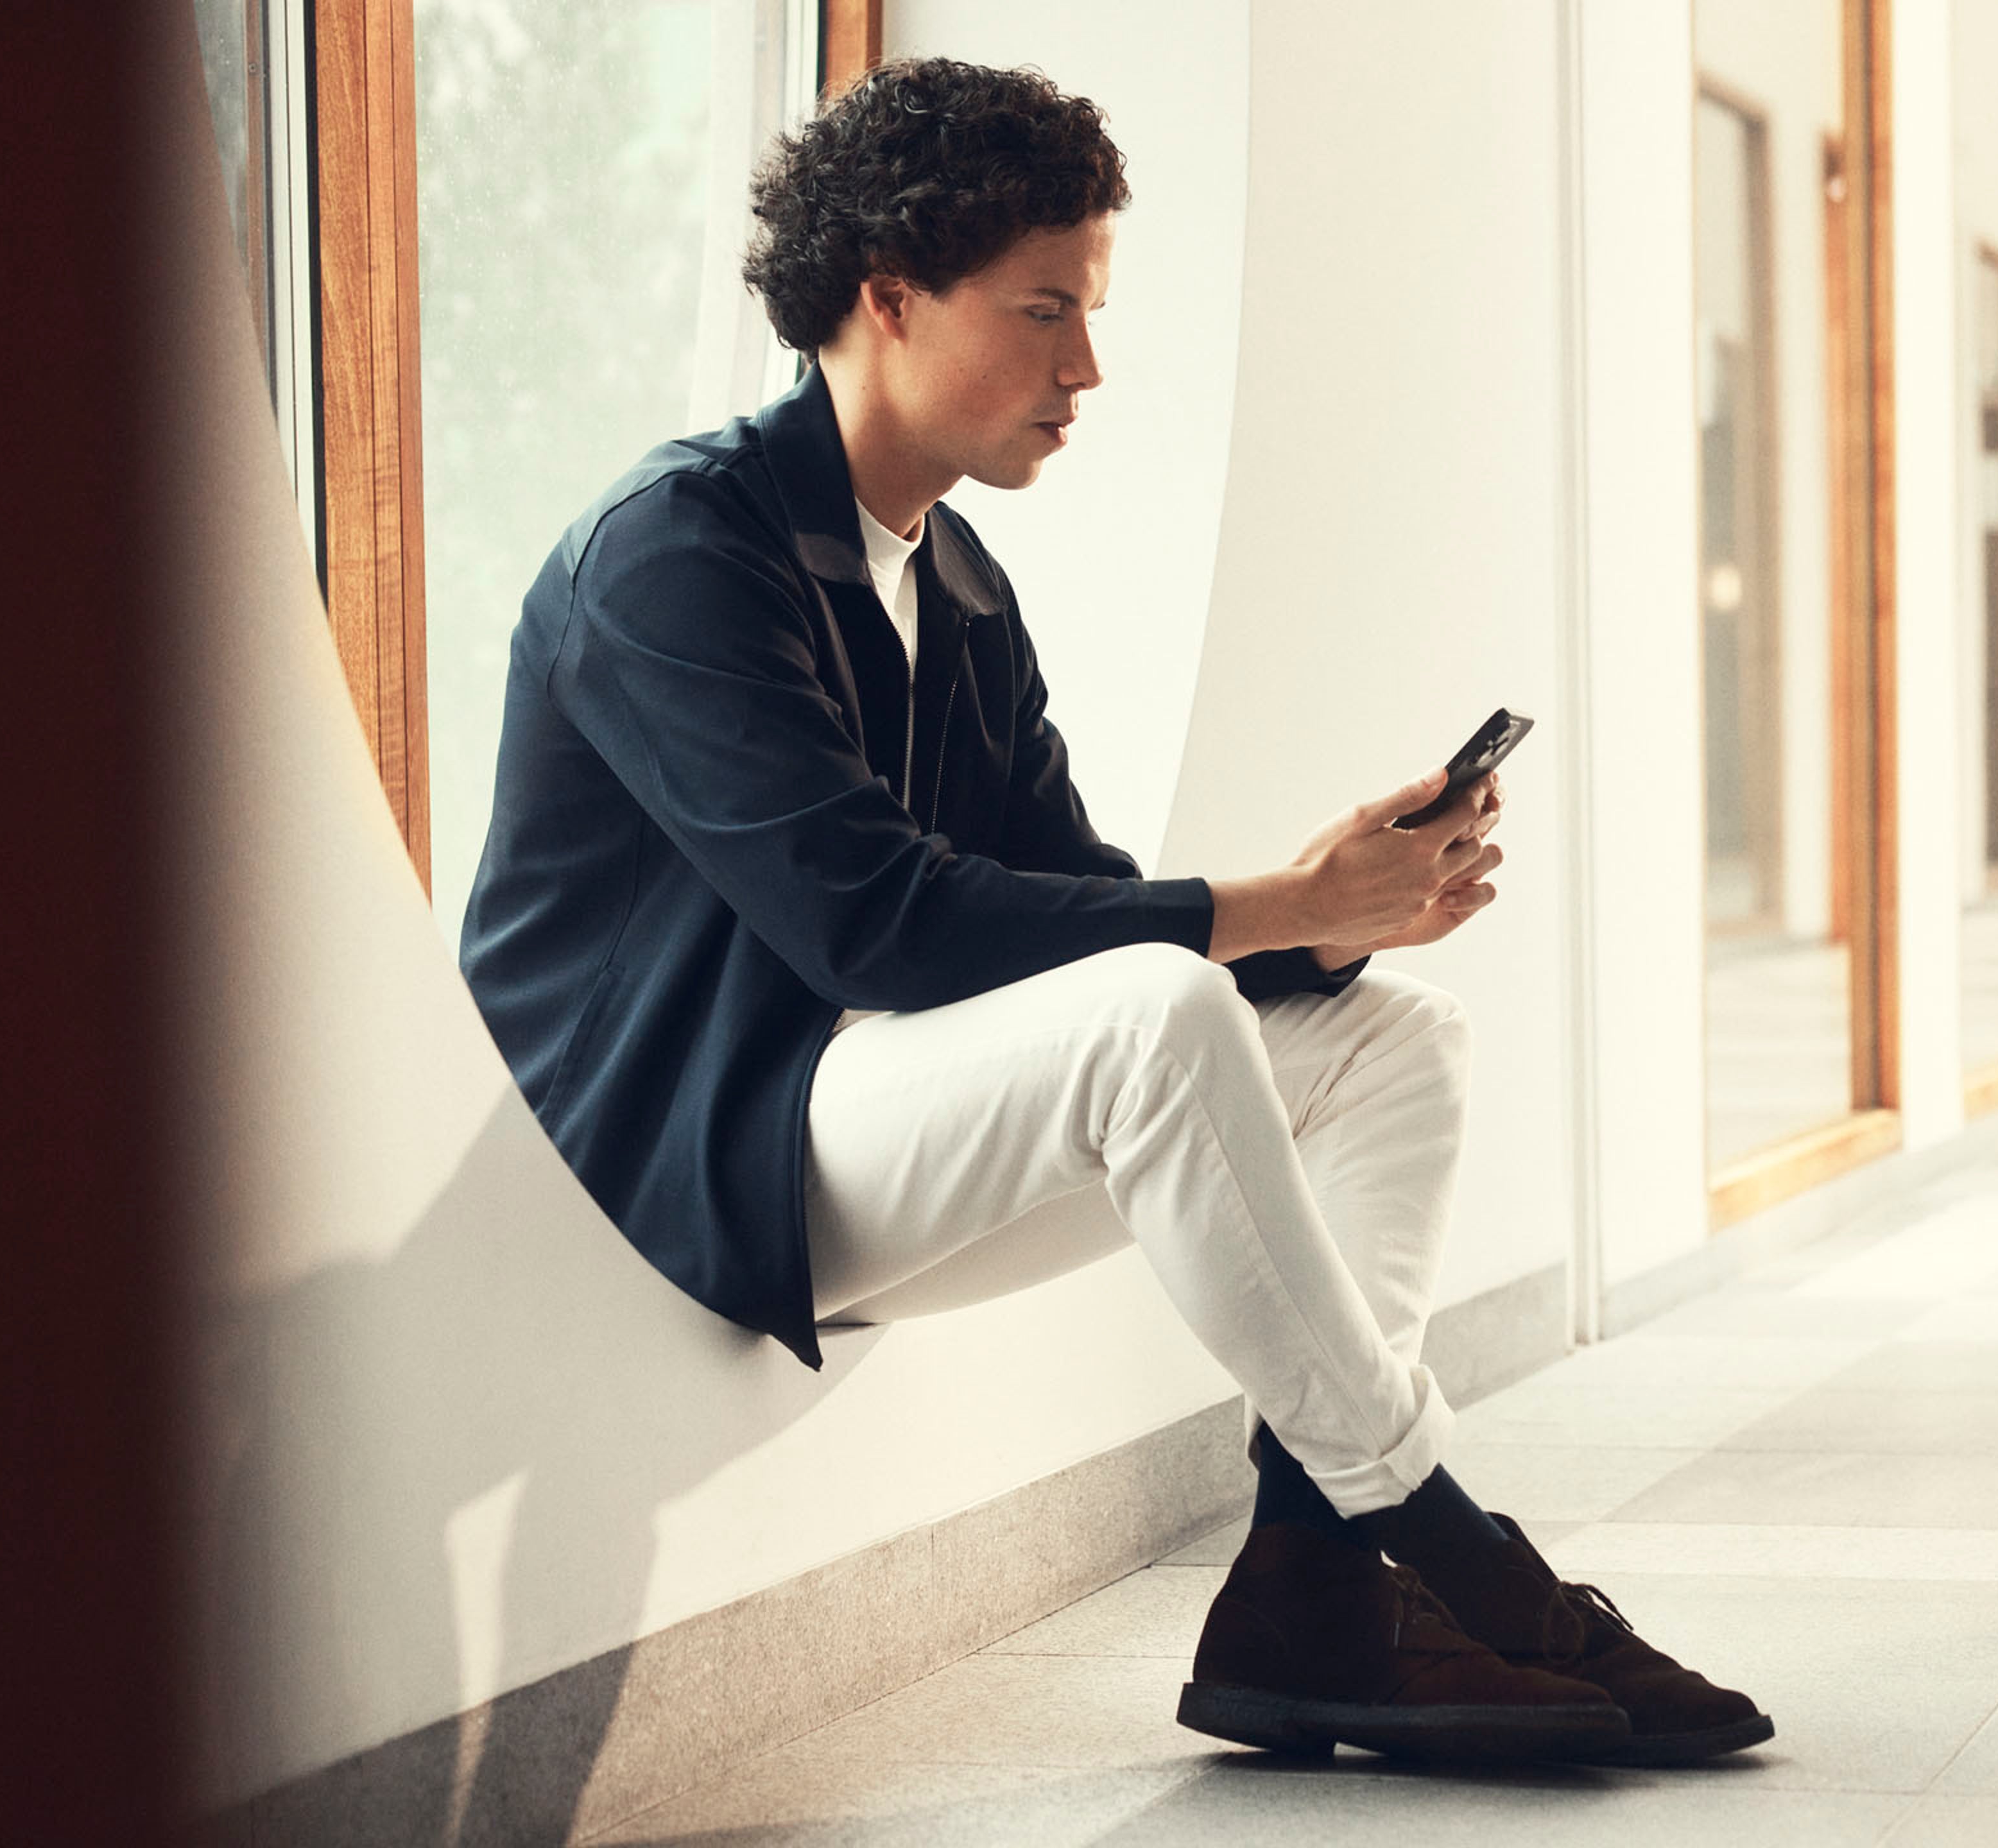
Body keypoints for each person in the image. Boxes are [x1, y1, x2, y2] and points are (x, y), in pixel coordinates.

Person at [460, 55, 1769, 1768]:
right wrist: (1266, 903)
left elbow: (1068, 897)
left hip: (868, 1116)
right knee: (1165, 1015)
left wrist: (1332, 915)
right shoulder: (673, 555)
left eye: (1091, 311)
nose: (1086, 366)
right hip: (697, 1143)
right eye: (1044, 310)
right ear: (887, 298)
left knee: (1392, 1042)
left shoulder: (954, 579)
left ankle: (1309, 1595)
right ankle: (1446, 1543)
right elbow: (876, 929)